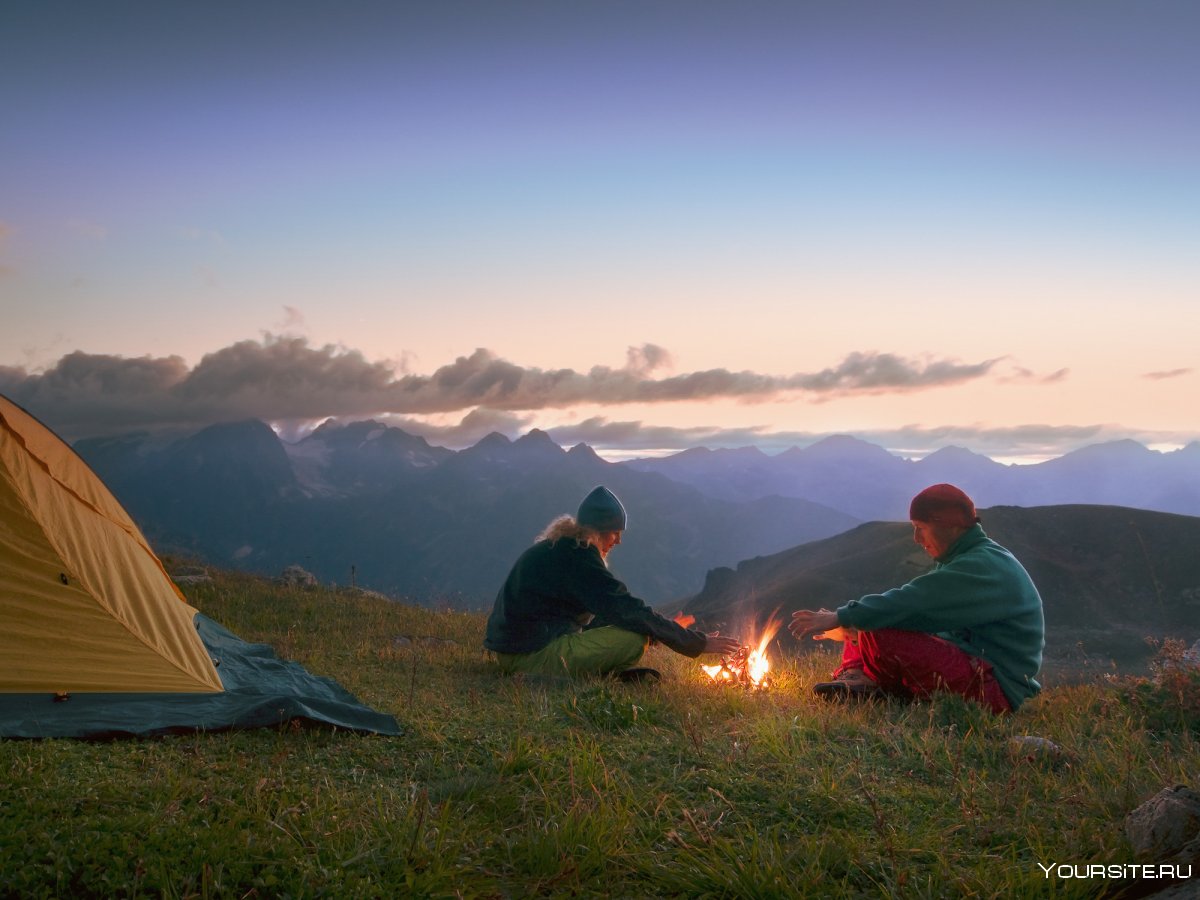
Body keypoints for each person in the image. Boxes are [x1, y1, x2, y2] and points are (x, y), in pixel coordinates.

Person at [788, 483, 1044, 713]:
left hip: (991, 688)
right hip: (978, 668)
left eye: (921, 528)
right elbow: (928, 621)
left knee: (875, 622)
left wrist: (840, 617)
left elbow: (910, 603)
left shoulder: (981, 566)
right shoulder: (968, 558)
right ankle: (857, 678)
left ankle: (871, 685)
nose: (916, 539)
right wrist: (852, 629)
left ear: (949, 525)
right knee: (869, 621)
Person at [485, 485, 740, 680]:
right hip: (530, 656)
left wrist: (661, 631)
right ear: (598, 531)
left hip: (517, 650)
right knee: (632, 641)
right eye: (615, 533)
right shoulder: (579, 559)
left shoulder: (563, 549)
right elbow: (625, 607)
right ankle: (564, 677)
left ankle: (601, 676)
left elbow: (608, 614)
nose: (617, 541)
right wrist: (695, 642)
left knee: (633, 630)